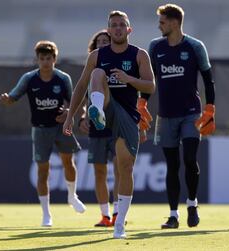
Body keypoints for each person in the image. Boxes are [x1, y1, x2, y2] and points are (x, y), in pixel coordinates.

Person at [63, 11, 155, 239]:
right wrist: (70, 116)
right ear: (108, 29)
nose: (117, 28)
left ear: (129, 29)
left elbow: (151, 86)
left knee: (125, 168)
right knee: (96, 73)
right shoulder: (97, 55)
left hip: (128, 116)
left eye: (121, 25)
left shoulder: (139, 54)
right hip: (104, 107)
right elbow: (80, 86)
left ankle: (119, 223)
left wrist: (128, 79)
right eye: (113, 25)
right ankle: (97, 111)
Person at [0, 40, 86, 227]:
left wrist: (68, 113)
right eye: (42, 58)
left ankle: (72, 196)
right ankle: (46, 214)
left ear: (55, 59)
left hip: (62, 127)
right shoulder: (29, 79)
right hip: (40, 129)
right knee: (43, 170)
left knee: (68, 162)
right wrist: (7, 100)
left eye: (49, 58)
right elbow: (13, 96)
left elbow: (74, 101)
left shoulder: (63, 78)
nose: (45, 62)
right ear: (37, 60)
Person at [148, 4, 216, 229]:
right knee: (172, 165)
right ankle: (173, 215)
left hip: (191, 114)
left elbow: (208, 79)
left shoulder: (196, 46)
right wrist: (141, 103)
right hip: (165, 115)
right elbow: (149, 80)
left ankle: (192, 204)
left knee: (189, 159)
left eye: (162, 22)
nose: (159, 26)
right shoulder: (155, 47)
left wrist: (210, 109)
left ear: (175, 23)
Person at [78, 30, 120, 227]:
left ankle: (119, 213)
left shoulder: (121, 63)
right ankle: (105, 215)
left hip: (118, 126)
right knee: (99, 172)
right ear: (93, 47)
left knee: (120, 170)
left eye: (106, 41)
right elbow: (85, 99)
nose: (103, 44)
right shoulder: (91, 68)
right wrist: (84, 116)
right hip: (97, 128)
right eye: (99, 42)